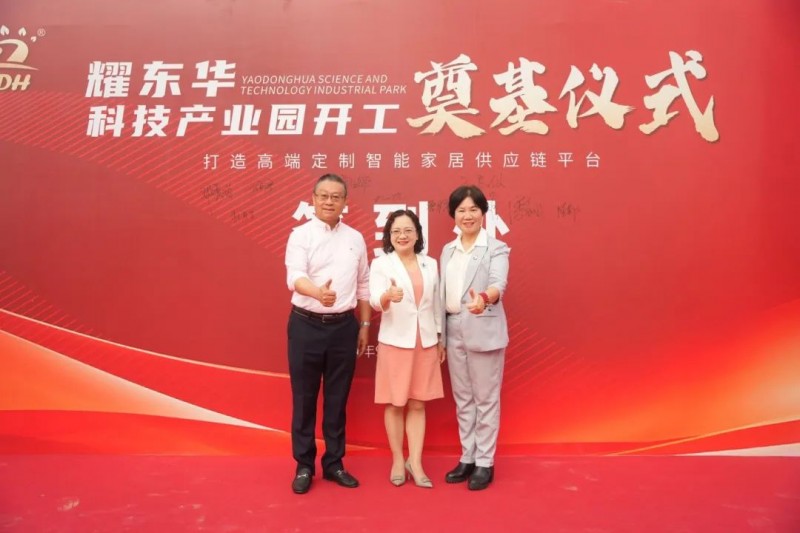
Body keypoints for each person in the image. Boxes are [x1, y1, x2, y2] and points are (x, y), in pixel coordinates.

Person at [284, 173, 371, 495]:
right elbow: (295, 277)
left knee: (337, 399)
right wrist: (318, 293)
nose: (329, 202)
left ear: (345, 202)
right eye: (323, 196)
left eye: (336, 197)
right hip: (305, 325)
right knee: (304, 398)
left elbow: (364, 283)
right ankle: (304, 465)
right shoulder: (300, 236)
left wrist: (364, 325)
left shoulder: (356, 238)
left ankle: (334, 463)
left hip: (343, 328)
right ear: (313, 199)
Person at [440, 185, 510, 491]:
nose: (467, 216)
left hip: (483, 327)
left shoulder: (496, 248)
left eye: (473, 209)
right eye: (461, 210)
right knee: (463, 398)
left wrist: (483, 298)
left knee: (486, 399)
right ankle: (467, 457)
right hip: (453, 328)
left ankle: (485, 462)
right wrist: (441, 337)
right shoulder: (448, 250)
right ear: (453, 215)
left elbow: (498, 284)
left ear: (483, 213)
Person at [369, 209, 444, 488]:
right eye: (396, 231)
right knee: (395, 402)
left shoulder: (430, 263)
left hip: (425, 340)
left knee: (418, 402)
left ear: (417, 234)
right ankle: (398, 460)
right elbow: (374, 299)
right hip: (395, 341)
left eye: (408, 230)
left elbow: (436, 303)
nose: (402, 235)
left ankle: (416, 461)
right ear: (389, 235)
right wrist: (388, 296)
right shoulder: (382, 264)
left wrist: (439, 336)